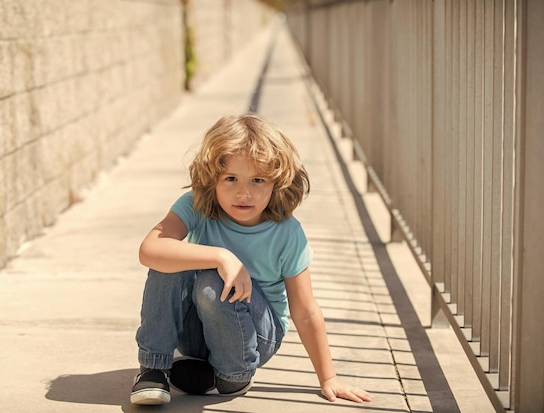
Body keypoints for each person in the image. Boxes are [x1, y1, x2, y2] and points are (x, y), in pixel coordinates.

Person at [130, 114, 372, 406]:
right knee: (169, 258)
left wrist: (328, 378)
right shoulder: (197, 206)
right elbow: (149, 250)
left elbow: (305, 310)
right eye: (230, 178)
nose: (243, 193)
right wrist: (221, 255)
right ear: (211, 179)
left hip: (256, 336)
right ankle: (154, 369)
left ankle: (233, 376)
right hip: (198, 331)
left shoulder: (286, 232)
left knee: (211, 281)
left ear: (277, 183)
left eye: (258, 180)